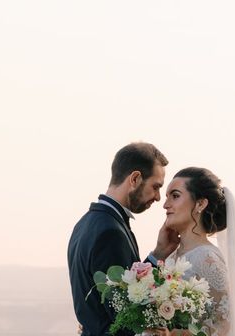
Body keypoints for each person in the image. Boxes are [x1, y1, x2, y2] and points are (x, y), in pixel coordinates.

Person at [68, 142, 180, 336]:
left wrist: (158, 254)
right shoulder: (110, 233)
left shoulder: (86, 223)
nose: (158, 197)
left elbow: (123, 294)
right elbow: (124, 318)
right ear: (135, 179)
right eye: (156, 187)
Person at [146, 167, 235, 336]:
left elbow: (223, 326)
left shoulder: (207, 258)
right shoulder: (172, 255)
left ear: (200, 203)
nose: (165, 205)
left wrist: (172, 335)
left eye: (175, 196)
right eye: (167, 197)